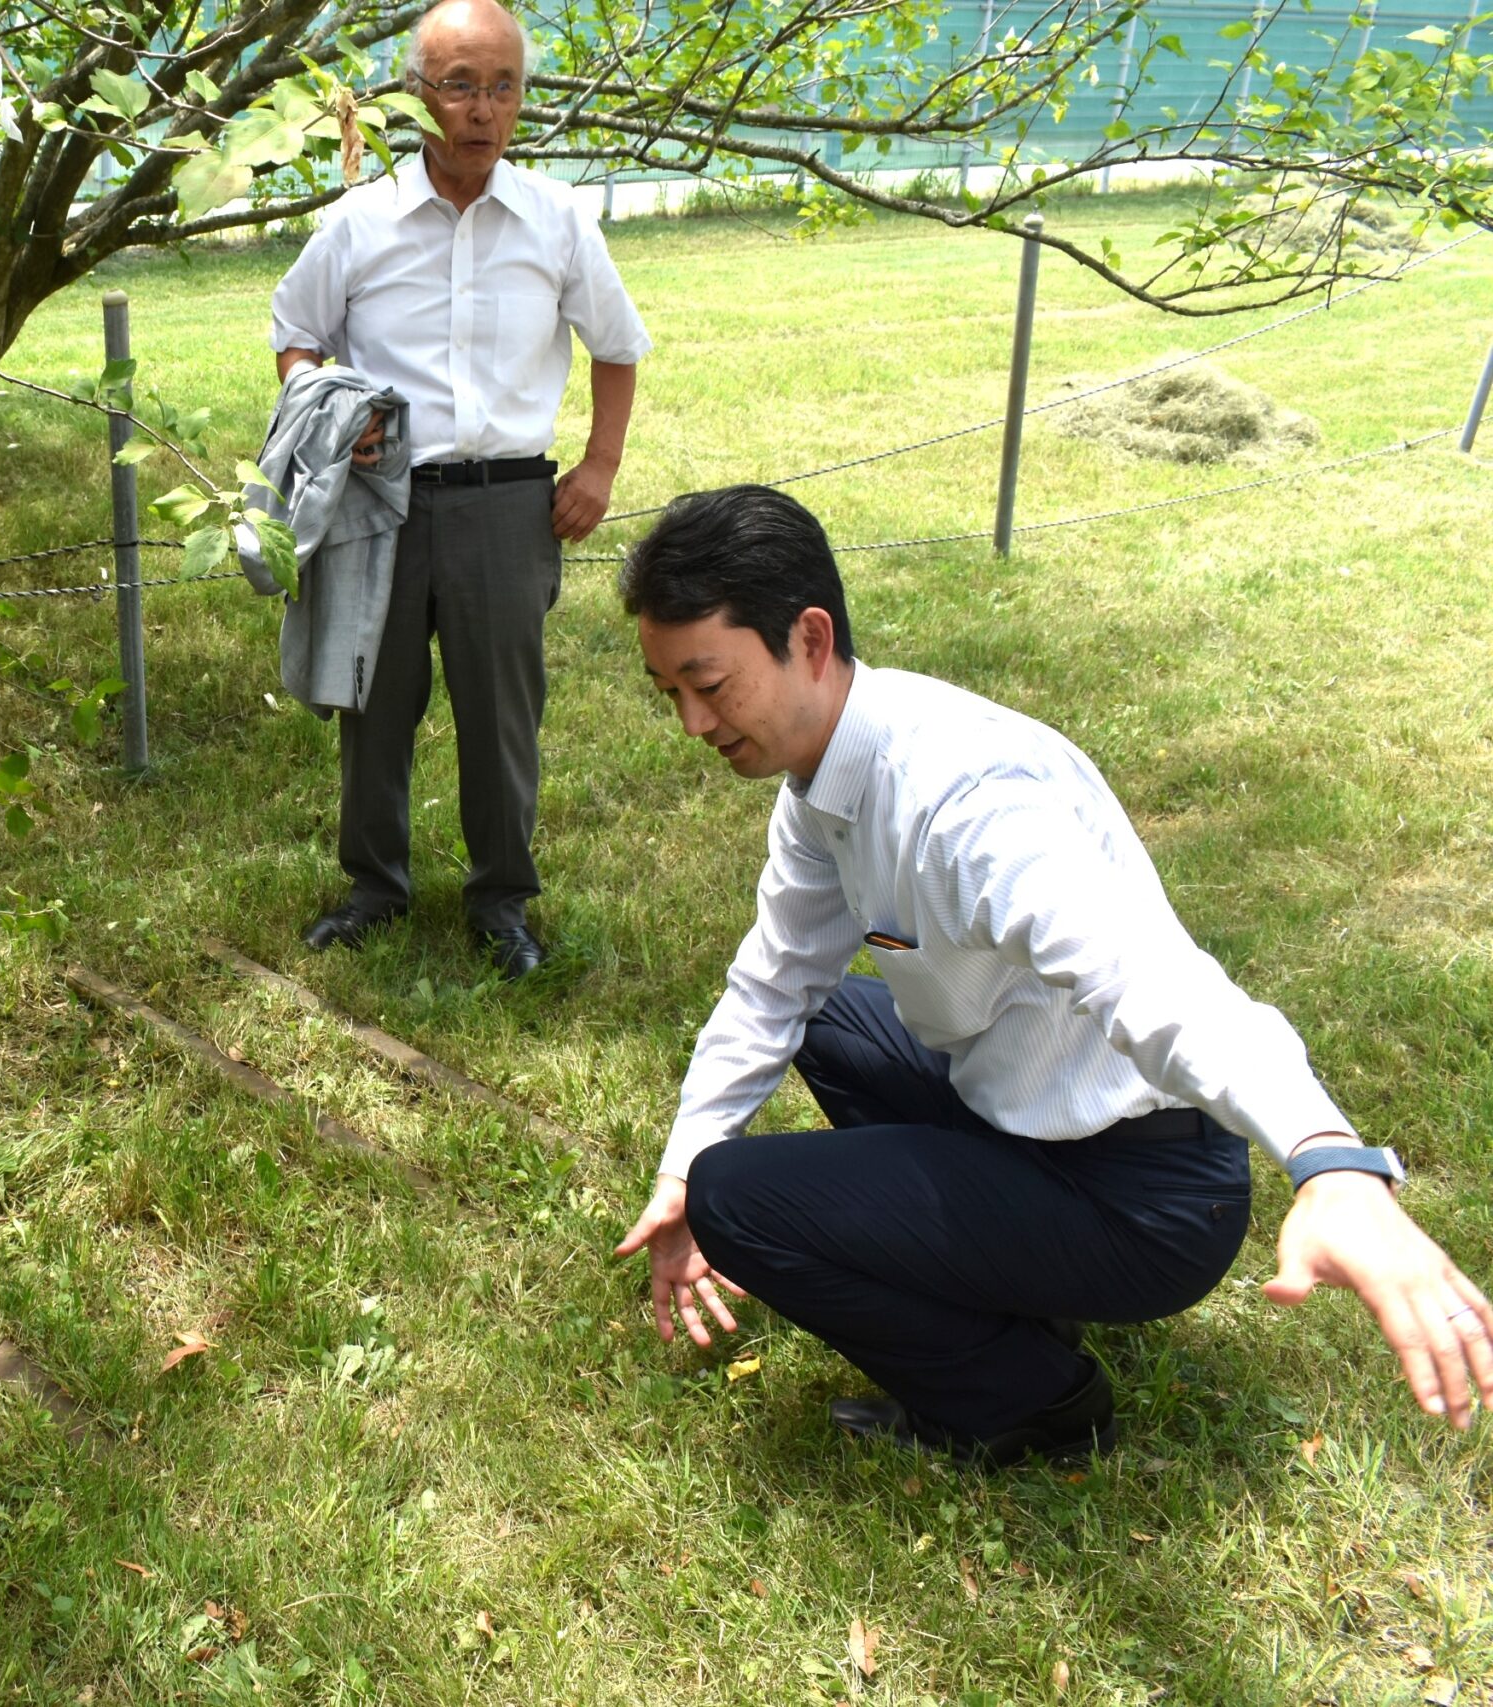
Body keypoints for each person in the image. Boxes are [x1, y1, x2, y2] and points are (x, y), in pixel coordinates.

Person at [607, 484, 1493, 1462]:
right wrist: (679, 1168)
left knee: (743, 1198)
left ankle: (1028, 1403)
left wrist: (1330, 1161)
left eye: (708, 682)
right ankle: (998, 1284)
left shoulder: (968, 805)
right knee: (818, 1029)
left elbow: (1155, 985)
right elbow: (772, 985)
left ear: (808, 641)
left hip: (1141, 1201)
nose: (691, 722)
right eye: (670, 694)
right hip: (1021, 1110)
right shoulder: (823, 779)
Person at [268, 0, 649, 980]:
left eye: (501, 86)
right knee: (374, 701)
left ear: (520, 96)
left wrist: (598, 466)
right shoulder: (359, 223)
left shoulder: (557, 220)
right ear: (415, 97)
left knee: (500, 708)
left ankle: (501, 902)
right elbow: (296, 331)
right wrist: (323, 420)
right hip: (379, 502)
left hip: (508, 505)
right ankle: (373, 889)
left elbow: (616, 349)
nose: (481, 109)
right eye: (457, 85)